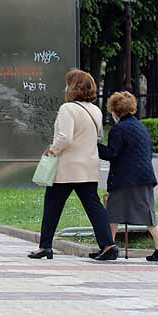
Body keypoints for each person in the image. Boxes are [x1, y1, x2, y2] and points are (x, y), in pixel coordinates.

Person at [28, 69, 118, 261]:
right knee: (94, 207)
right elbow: (99, 137)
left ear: (74, 87)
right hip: (88, 167)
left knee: (52, 205)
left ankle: (45, 246)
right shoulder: (95, 110)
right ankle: (108, 245)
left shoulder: (67, 109)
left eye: (68, 84)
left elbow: (65, 137)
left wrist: (52, 150)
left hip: (67, 168)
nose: (65, 87)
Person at [101, 91, 158, 261]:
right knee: (142, 211)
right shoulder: (140, 126)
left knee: (112, 211)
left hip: (126, 178)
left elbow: (112, 153)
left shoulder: (118, 129)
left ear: (114, 110)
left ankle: (109, 247)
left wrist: (94, 146)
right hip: (144, 176)